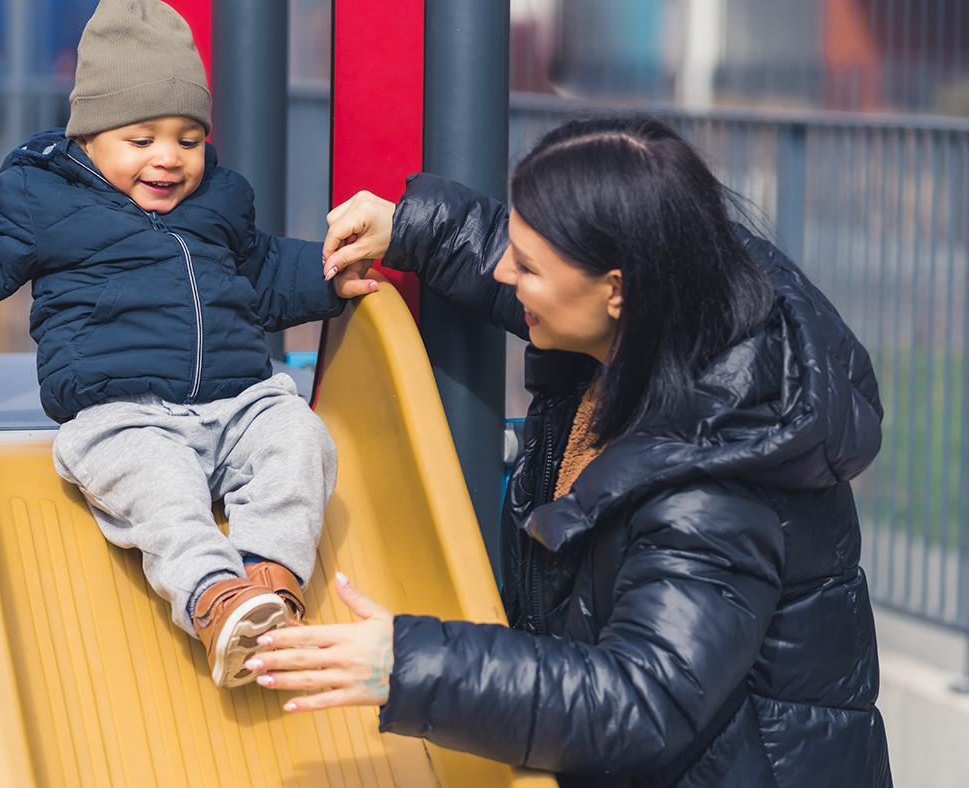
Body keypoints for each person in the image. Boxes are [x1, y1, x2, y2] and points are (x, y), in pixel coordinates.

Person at [248, 115, 893, 786]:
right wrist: (414, 225)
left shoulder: (715, 486)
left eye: (527, 266)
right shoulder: (673, 296)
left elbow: (644, 700)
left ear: (616, 290)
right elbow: (527, 251)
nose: (505, 270)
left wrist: (410, 664)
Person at [0, 0, 375, 689]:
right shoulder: (45, 197)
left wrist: (329, 275)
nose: (169, 158)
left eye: (189, 139)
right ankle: (213, 599)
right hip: (124, 414)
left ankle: (271, 580)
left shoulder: (219, 202)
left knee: (299, 437)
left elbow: (261, 272)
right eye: (142, 139)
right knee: (160, 489)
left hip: (238, 403)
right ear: (89, 138)